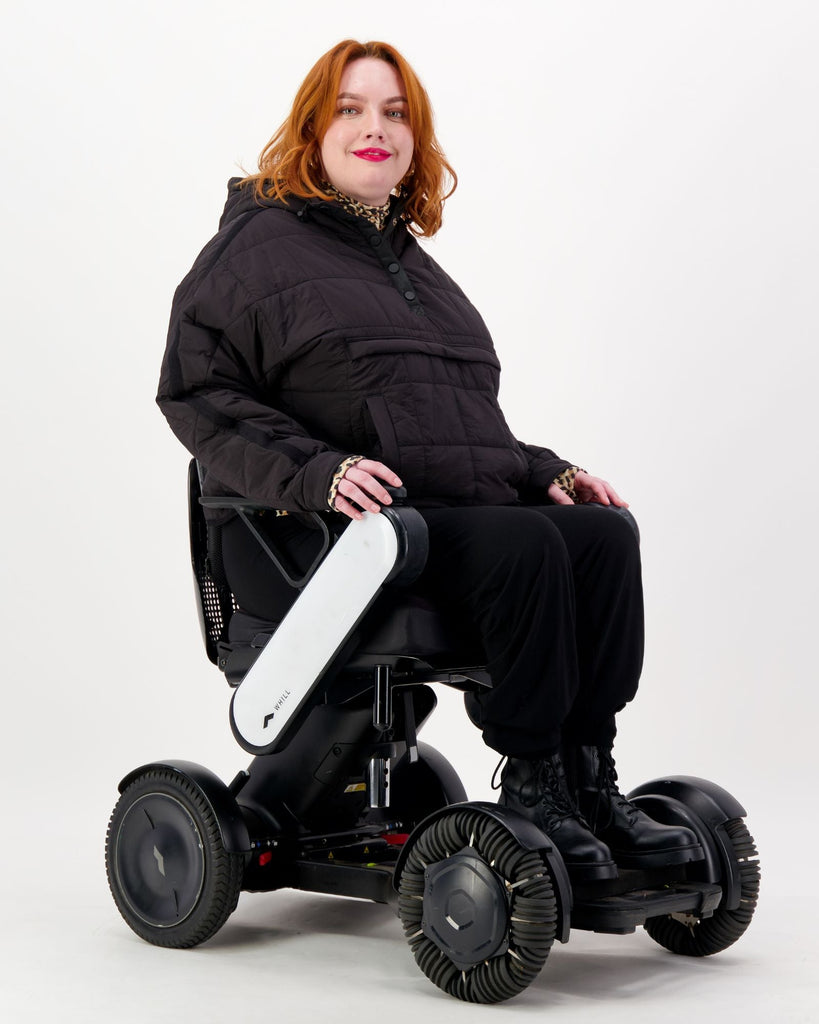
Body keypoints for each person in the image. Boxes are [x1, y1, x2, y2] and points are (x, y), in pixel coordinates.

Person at [157, 39, 701, 881]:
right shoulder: (255, 248)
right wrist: (319, 472)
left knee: (600, 534)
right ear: (311, 129)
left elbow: (458, 432)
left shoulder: (416, 269)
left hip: (426, 522)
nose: (375, 127)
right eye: (350, 108)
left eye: (394, 112)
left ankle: (585, 776)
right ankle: (533, 787)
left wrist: (545, 472)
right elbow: (197, 397)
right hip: (321, 538)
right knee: (523, 548)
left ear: (415, 139)